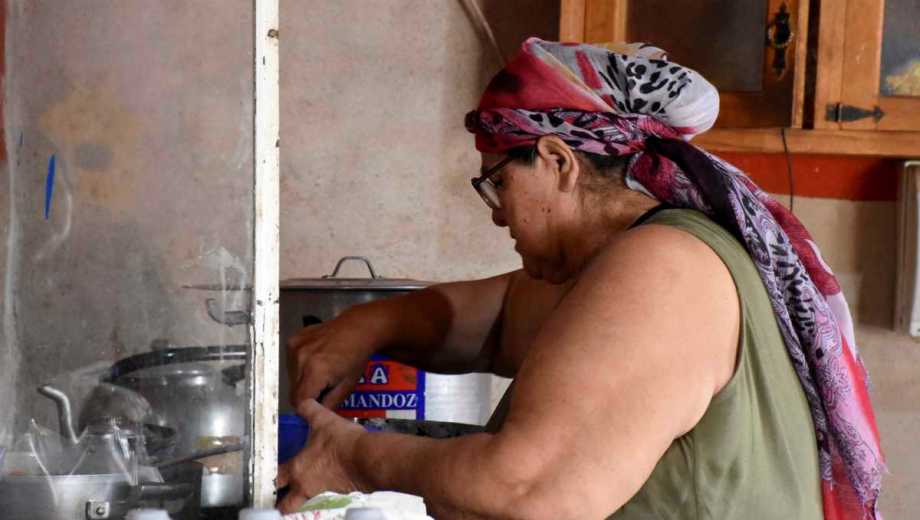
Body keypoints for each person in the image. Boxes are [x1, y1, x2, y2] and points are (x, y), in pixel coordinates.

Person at [279, 38, 884, 519]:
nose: (496, 212)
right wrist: (368, 325)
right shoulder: (627, 260)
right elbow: (496, 322)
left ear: (557, 162)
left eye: (497, 182)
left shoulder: (665, 269)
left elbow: (528, 490)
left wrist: (354, 456)